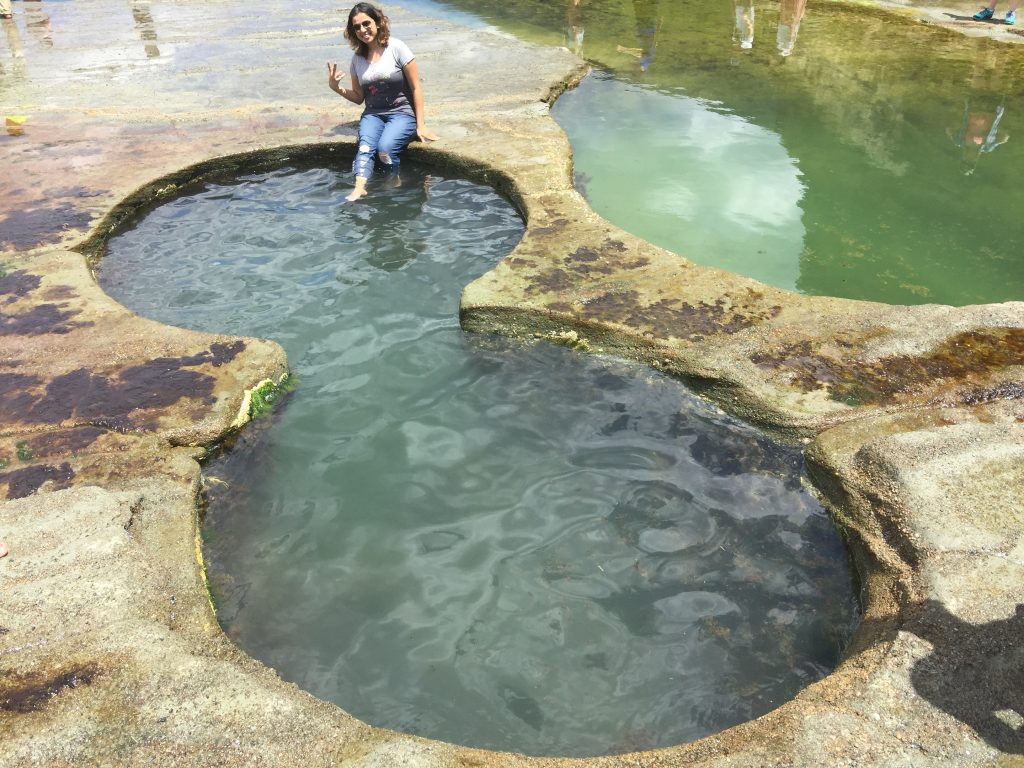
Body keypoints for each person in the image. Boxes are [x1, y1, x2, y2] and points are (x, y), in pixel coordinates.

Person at [327, 2, 438, 202]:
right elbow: (359, 97)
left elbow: (416, 88)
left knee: (384, 149)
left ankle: (392, 179)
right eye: (357, 27)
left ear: (378, 21)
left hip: (402, 113)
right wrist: (337, 88)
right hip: (373, 114)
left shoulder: (397, 48)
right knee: (365, 148)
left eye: (366, 23)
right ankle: (360, 187)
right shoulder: (357, 59)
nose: (362, 30)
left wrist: (421, 126)